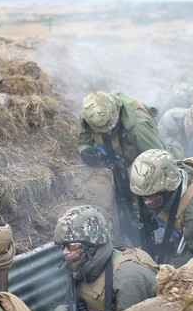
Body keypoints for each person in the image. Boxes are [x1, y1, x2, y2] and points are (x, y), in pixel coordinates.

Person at [77, 90, 183, 245]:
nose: (107, 133)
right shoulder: (90, 113)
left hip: (148, 158)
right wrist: (85, 149)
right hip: (122, 156)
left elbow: (158, 159)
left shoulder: (138, 125)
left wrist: (131, 176)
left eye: (110, 130)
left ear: (116, 115)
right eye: (102, 131)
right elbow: (84, 138)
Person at [51, 205, 158, 311]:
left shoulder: (128, 278)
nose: (65, 252)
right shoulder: (78, 268)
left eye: (72, 245)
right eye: (62, 246)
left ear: (91, 246)